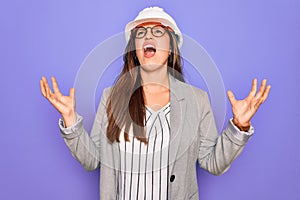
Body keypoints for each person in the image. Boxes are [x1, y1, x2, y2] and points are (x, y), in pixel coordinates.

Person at [40, 6, 271, 200]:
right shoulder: (111, 97)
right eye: (140, 33)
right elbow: (93, 161)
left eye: (158, 31)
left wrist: (238, 127)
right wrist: (70, 120)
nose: (148, 36)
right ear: (134, 49)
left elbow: (213, 163)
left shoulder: (197, 100)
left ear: (171, 47)